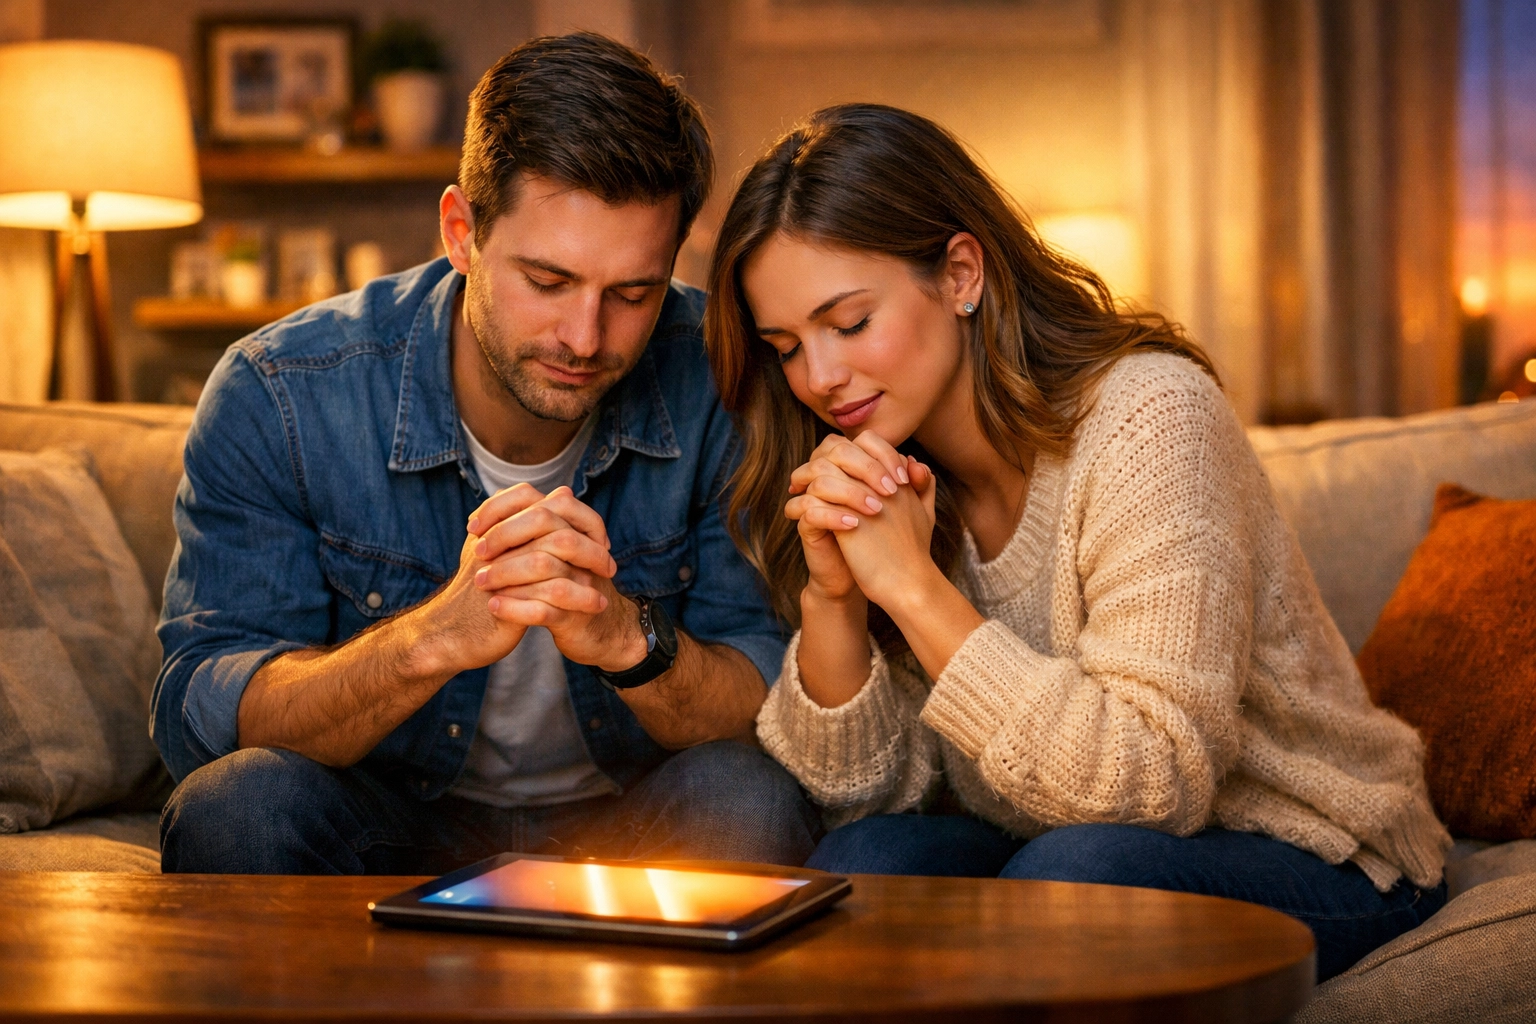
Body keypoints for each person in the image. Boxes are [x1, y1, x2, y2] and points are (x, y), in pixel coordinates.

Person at [703, 103, 1450, 980]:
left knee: (1072, 882)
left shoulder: (1148, 418)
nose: (819, 379)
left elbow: (1154, 782)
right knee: (865, 871)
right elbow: (865, 795)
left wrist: (912, 590)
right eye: (786, 347)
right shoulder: (891, 480)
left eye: (850, 323)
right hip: (1052, 839)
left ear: (960, 274)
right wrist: (834, 597)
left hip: (1316, 848)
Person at [152, 33, 819, 875]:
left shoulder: (725, 379)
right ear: (460, 233)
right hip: (390, 818)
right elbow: (199, 710)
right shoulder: (280, 391)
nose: (585, 337)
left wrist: (627, 638)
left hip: (632, 817)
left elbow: (770, 699)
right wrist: (428, 641)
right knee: (235, 807)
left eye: (633, 293)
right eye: (547, 282)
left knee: (750, 798)